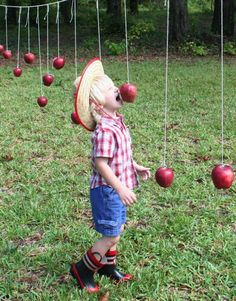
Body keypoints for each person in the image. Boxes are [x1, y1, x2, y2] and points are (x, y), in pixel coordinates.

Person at [70, 58, 151, 293]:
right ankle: (82, 269)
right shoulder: (104, 130)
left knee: (118, 228)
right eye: (109, 89)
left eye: (115, 86)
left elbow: (120, 155)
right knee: (111, 236)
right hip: (107, 190)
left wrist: (134, 166)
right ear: (97, 103)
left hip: (115, 188)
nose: (117, 89)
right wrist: (121, 188)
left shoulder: (117, 123)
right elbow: (101, 164)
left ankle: (108, 266)